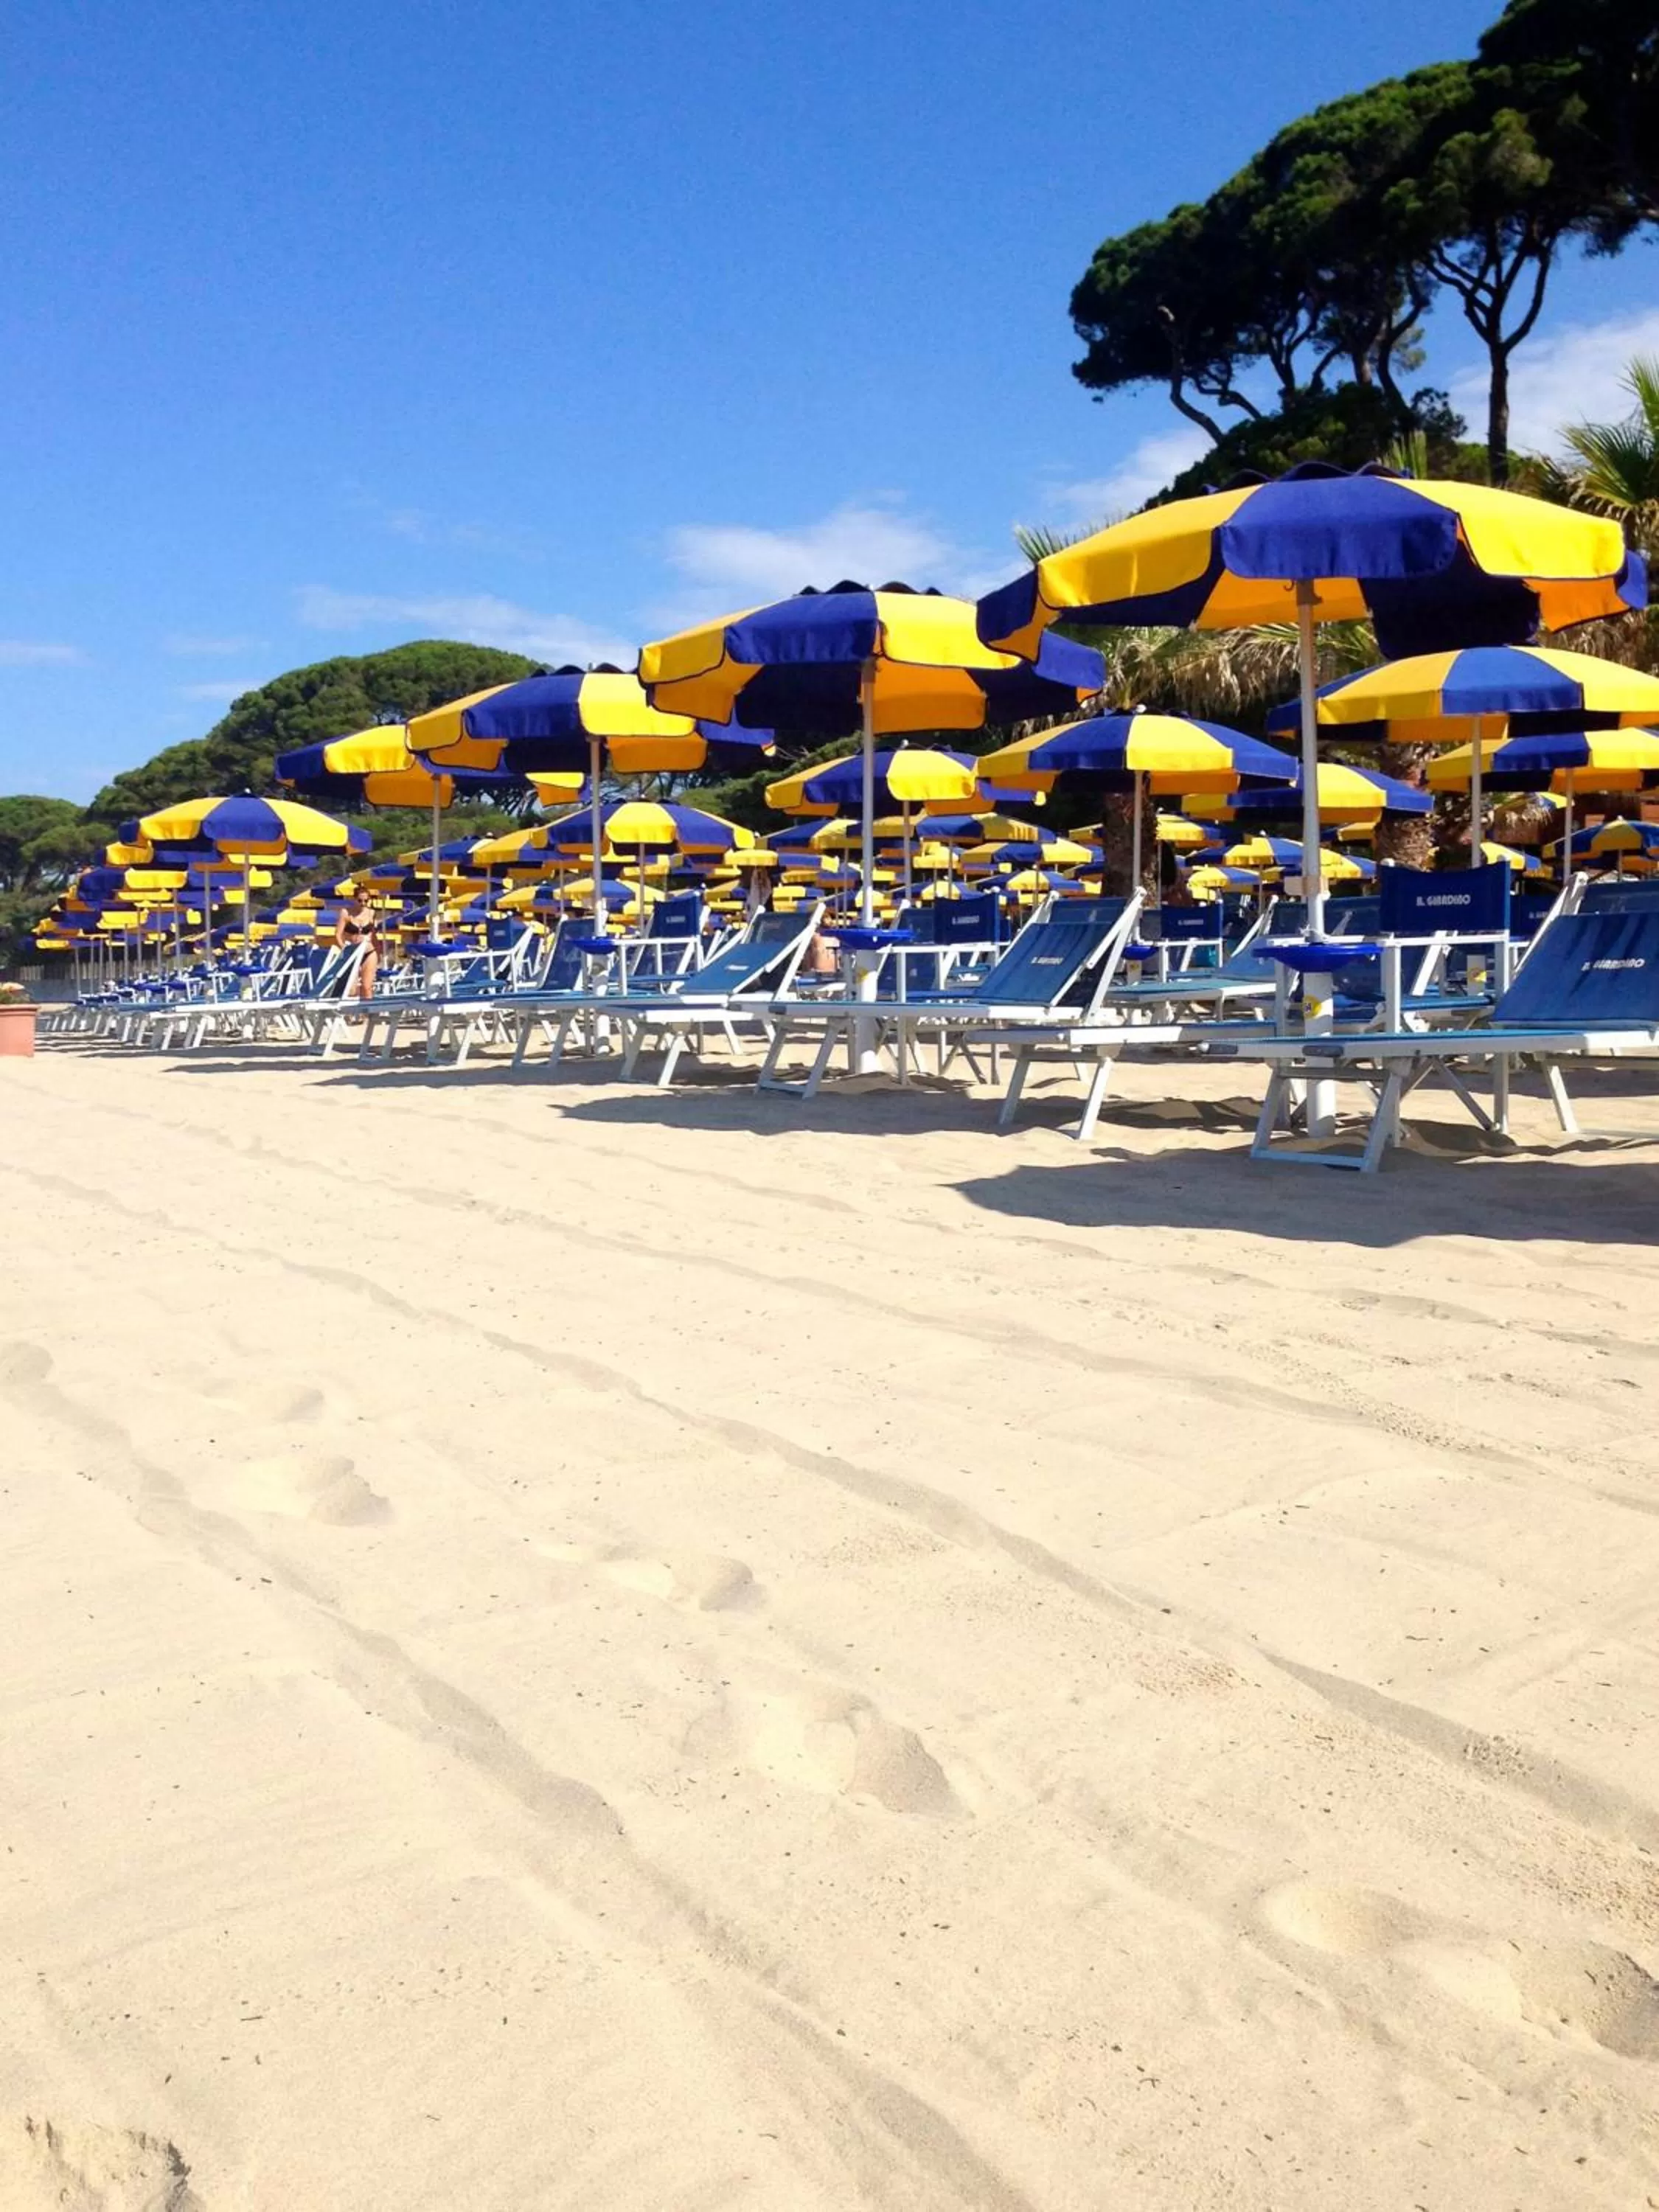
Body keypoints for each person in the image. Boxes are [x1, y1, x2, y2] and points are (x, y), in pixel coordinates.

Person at [333, 888, 380, 1002]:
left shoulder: (372, 913)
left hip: (369, 951)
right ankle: (350, 1016)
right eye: (360, 901)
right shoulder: (346, 913)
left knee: (367, 987)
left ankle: (367, 1016)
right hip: (352, 952)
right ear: (354, 899)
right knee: (351, 989)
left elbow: (373, 935)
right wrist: (344, 949)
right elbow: (338, 935)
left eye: (366, 901)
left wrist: (379, 952)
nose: (363, 904)